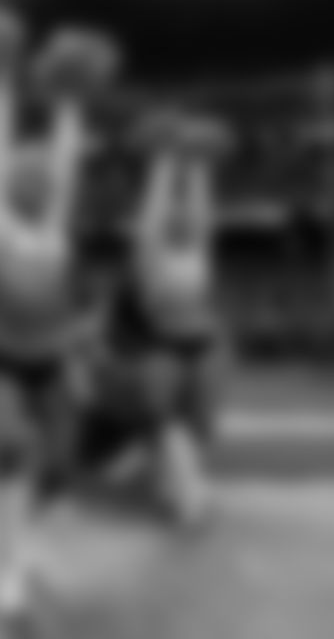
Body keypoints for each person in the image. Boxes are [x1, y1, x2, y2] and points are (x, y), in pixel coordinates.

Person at [0, 8, 116, 617]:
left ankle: (22, 538)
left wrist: (69, 99)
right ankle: (7, 570)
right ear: (11, 180)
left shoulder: (54, 228)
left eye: (45, 174)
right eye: (30, 170)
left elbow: (67, 159)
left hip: (52, 361)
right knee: (11, 447)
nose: (43, 176)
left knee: (62, 465)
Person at [97, 108, 230, 527]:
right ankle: (186, 492)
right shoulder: (150, 255)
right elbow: (151, 218)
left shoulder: (197, 251)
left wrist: (199, 163)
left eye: (182, 210)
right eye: (174, 211)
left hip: (202, 346)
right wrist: (163, 159)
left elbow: (202, 211)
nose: (180, 213)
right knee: (166, 417)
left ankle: (171, 483)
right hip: (163, 346)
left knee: (200, 425)